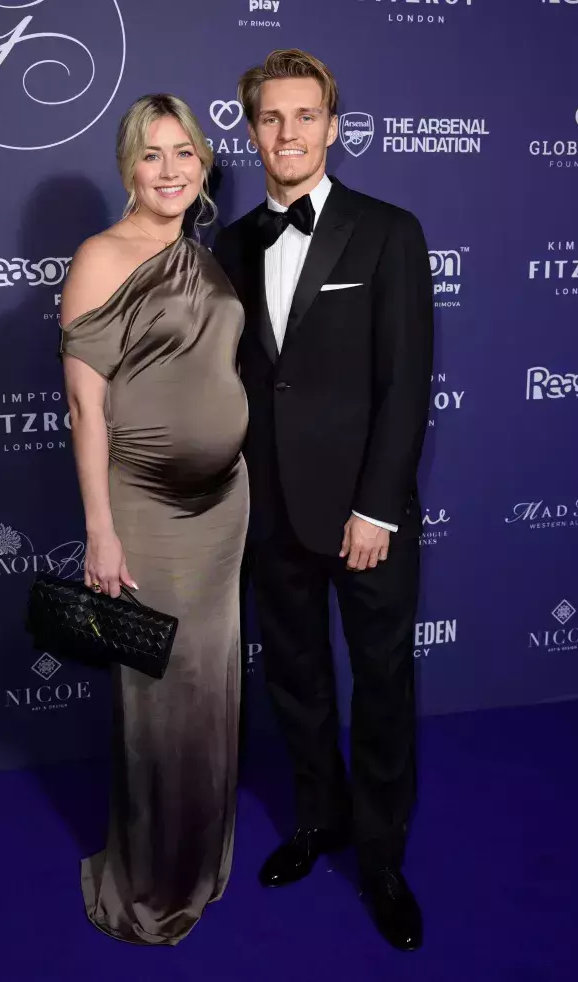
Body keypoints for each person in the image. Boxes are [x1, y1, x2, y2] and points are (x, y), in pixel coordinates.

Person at [213, 49, 433, 951]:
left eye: (306, 116)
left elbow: (407, 382)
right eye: (271, 117)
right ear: (251, 130)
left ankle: (381, 858)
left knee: (380, 684)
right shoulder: (229, 245)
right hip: (270, 512)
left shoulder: (388, 230)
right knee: (297, 680)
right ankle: (317, 819)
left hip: (363, 514)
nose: (289, 132)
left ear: (333, 127)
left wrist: (376, 510)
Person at [60, 94, 248, 945]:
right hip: (146, 505)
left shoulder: (200, 254)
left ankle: (198, 859)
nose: (170, 170)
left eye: (185, 153)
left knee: (209, 691)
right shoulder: (102, 256)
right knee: (159, 696)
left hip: (224, 502)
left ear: (202, 164)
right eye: (151, 154)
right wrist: (101, 529)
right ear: (127, 166)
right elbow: (85, 407)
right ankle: (152, 879)